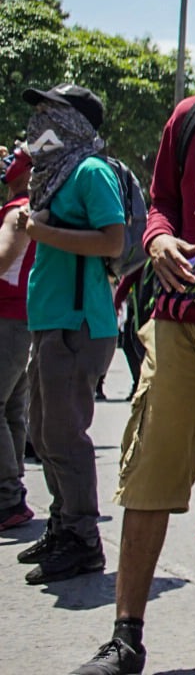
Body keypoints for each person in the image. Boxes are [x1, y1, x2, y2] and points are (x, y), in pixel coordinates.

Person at [70, 0, 195, 674]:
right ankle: (125, 635)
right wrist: (158, 240)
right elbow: (158, 199)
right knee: (148, 479)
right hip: (180, 328)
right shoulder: (191, 118)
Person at [13, 84, 124, 585]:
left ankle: (82, 540)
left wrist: (39, 232)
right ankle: (63, 526)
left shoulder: (89, 171)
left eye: (48, 113)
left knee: (65, 437)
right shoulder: (52, 176)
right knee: (42, 432)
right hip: (52, 321)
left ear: (75, 122)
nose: (37, 124)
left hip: (79, 324)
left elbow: (114, 239)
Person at [0, 148, 36, 531]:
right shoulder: (27, 208)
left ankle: (8, 498)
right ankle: (12, 493)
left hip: (8, 316)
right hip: (21, 315)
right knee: (11, 409)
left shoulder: (17, 210)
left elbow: (3, 257)